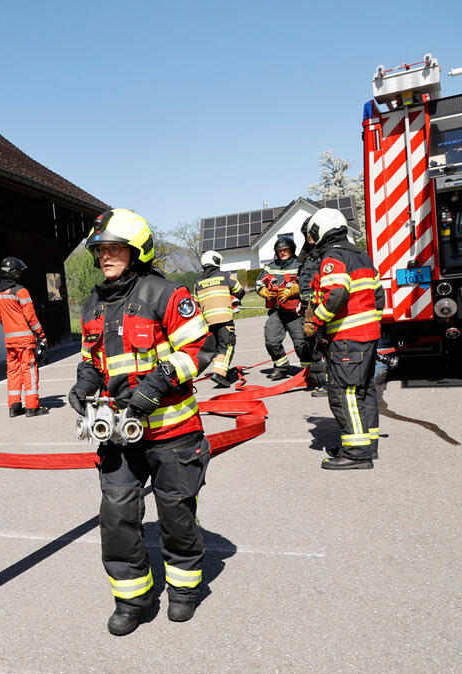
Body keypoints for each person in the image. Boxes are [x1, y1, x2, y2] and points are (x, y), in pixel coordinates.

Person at [68, 209, 213, 634]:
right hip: (118, 432)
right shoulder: (95, 303)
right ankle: (132, 599)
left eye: (114, 248)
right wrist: (84, 382)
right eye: (101, 250)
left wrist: (155, 385)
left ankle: (184, 589)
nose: (105, 256)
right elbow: (93, 359)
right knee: (116, 515)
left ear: (137, 251)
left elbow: (198, 350)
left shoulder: (166, 294)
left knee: (176, 512)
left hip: (173, 431)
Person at [301, 208, 384, 470]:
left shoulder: (333, 257)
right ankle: (367, 444)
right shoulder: (362, 256)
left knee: (344, 393)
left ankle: (356, 453)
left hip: (347, 337)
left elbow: (336, 294)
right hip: (368, 337)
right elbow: (379, 296)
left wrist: (317, 321)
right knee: (365, 390)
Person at [0, 256, 49, 417]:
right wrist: (41, 334)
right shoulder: (21, 291)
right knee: (29, 370)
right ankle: (32, 407)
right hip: (25, 340)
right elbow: (30, 317)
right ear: (14, 273)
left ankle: (14, 406)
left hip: (10, 340)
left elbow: (1, 319)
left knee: (13, 371)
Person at [257, 234, 310, 379]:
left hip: (295, 311)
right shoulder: (270, 267)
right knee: (271, 339)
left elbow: (308, 283)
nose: (283, 252)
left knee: (301, 343)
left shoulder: (300, 265)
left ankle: (309, 371)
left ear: (292, 250)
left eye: (286, 249)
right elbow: (258, 283)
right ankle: (281, 365)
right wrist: (264, 292)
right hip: (277, 311)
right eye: (280, 250)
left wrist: (295, 290)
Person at [193, 250, 245, 387]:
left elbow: (196, 302)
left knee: (217, 348)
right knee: (227, 346)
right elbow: (240, 291)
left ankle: (218, 370)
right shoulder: (226, 276)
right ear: (216, 261)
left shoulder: (198, 283)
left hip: (208, 323)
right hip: (225, 320)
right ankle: (219, 374)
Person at [297, 215, 329, 397]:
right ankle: (318, 382)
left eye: (312, 233)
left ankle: (326, 383)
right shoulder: (307, 256)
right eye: (306, 234)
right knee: (312, 344)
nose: (309, 237)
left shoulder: (327, 254)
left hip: (323, 307)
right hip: (308, 307)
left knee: (321, 344)